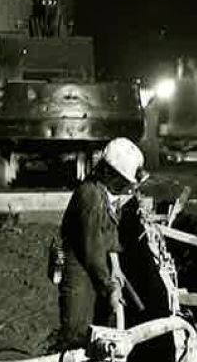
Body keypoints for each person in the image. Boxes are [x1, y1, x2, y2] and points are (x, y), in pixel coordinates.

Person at [54, 137, 148, 348]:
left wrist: (115, 266)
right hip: (77, 264)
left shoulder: (105, 194)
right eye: (124, 182)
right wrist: (110, 287)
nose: (126, 188)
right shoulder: (91, 198)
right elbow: (93, 251)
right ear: (111, 174)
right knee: (76, 327)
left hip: (93, 263)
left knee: (95, 320)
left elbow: (110, 230)